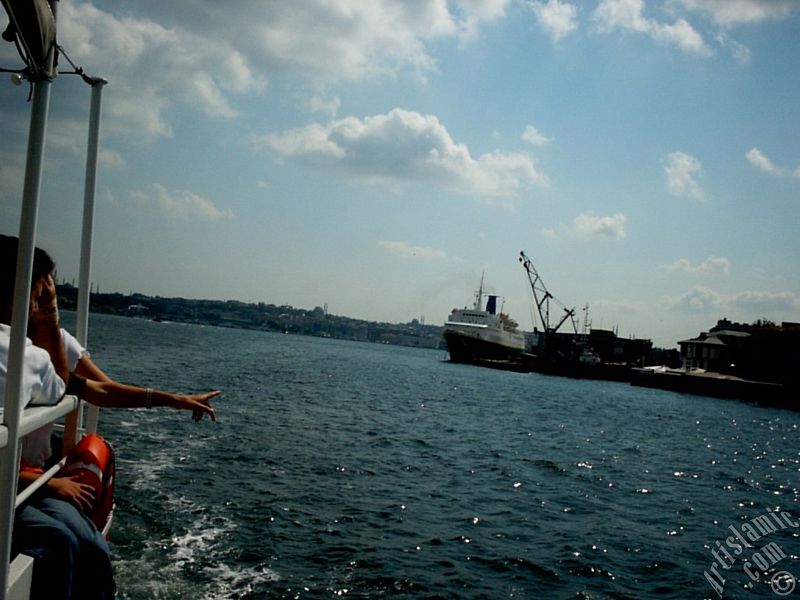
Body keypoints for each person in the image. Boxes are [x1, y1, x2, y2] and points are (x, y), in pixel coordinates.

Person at [0, 234, 220, 600]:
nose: (40, 304)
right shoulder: (25, 354)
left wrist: (175, 399)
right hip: (22, 481)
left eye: (46, 298)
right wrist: (41, 483)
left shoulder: (44, 350)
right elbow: (76, 386)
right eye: (41, 295)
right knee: (64, 541)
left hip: (25, 478)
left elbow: (97, 388)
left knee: (88, 543)